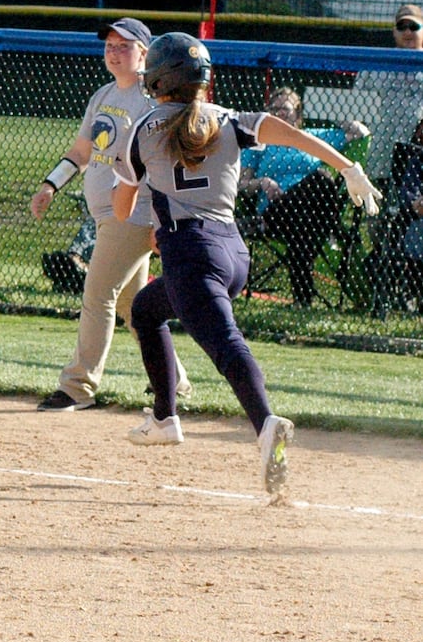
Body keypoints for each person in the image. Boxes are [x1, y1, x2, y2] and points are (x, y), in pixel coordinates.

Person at [112, 32, 381, 501]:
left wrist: (156, 208)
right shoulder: (231, 120)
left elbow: (120, 208)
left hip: (191, 254)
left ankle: (266, 424)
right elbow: (295, 135)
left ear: (157, 78)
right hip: (233, 253)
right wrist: (348, 169)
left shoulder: (145, 126)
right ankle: (164, 417)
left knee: (226, 345)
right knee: (146, 309)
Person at [31, 17, 189, 412]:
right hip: (106, 215)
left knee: (97, 294)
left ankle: (77, 386)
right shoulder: (103, 95)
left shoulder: (152, 99)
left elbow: (164, 164)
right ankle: (176, 380)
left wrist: (160, 221)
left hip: (133, 214)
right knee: (132, 306)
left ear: (145, 53)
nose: (114, 53)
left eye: (124, 46)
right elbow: (82, 152)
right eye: (110, 46)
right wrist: (51, 185)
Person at [238, 86, 369, 306]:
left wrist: (336, 118)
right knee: (322, 178)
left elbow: (361, 132)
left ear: (298, 114)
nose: (280, 114)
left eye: (286, 109)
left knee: (314, 199)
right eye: (274, 109)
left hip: (306, 216)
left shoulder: (314, 137)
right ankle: (332, 229)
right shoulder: (259, 142)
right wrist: (262, 182)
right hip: (277, 209)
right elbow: (241, 184)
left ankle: (302, 300)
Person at [357, 2, 423, 185]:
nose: (408, 32)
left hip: (417, 149)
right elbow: (354, 105)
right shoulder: (376, 64)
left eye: (414, 26)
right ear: (394, 32)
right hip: (380, 144)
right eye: (402, 27)